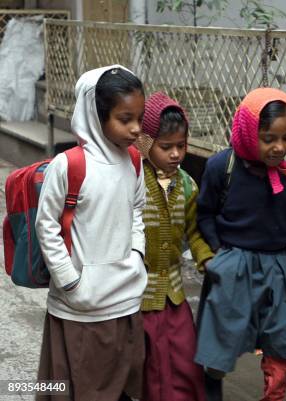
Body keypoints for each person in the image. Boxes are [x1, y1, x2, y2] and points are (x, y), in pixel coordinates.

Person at [195, 87, 286, 401]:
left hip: (278, 269)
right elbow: (205, 214)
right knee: (216, 350)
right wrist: (214, 258)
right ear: (248, 131)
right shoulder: (220, 168)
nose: (279, 147)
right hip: (231, 268)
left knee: (279, 347)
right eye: (269, 138)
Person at [35, 65, 148, 400]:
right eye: (124, 118)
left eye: (139, 117)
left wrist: (137, 255)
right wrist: (71, 281)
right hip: (80, 309)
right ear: (94, 115)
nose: (136, 128)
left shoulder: (133, 161)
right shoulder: (69, 165)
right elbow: (47, 225)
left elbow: (137, 211)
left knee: (125, 382)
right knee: (80, 387)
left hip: (125, 299)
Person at [134, 91, 213, 401]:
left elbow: (194, 232)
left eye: (181, 146)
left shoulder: (188, 185)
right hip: (138, 293)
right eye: (166, 147)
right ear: (145, 143)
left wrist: (206, 259)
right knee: (148, 365)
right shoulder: (133, 180)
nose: (176, 154)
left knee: (183, 360)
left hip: (175, 294)